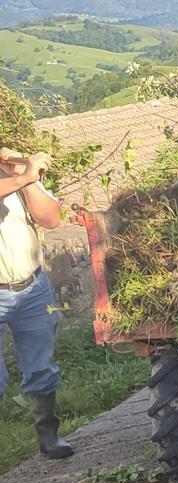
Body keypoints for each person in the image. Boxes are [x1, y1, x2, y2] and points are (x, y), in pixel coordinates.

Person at [0, 148, 73, 459]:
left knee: (41, 367)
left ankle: (49, 436)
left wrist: (25, 178)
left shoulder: (16, 174)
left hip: (32, 288)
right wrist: (25, 176)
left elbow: (51, 218)